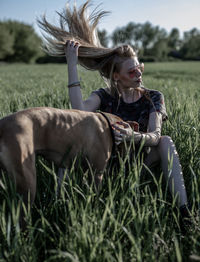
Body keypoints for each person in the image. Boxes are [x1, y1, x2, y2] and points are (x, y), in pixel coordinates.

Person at [37, 0, 191, 227]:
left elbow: (155, 136)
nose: (139, 73)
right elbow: (78, 112)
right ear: (116, 76)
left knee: (167, 142)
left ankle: (184, 213)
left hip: (141, 165)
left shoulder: (154, 97)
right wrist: (72, 64)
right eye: (132, 70)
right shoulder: (103, 96)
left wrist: (132, 136)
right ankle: (57, 215)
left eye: (140, 68)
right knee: (68, 151)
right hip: (106, 169)